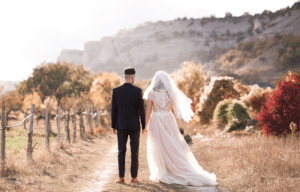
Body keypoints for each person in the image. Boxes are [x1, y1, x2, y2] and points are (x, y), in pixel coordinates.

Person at [142, 70, 217, 186]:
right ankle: (174, 169)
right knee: (172, 145)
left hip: (156, 120)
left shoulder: (151, 93)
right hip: (168, 120)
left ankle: (163, 171)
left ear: (155, 81)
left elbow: (148, 112)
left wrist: (145, 126)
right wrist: (179, 127)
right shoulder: (170, 93)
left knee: (159, 146)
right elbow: (174, 111)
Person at [111, 67, 145, 184]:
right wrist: (144, 126)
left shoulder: (116, 91)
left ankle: (121, 178)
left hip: (121, 125)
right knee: (134, 151)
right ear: (133, 77)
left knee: (121, 151)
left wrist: (113, 125)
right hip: (135, 125)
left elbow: (113, 110)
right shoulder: (138, 91)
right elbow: (141, 110)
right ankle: (134, 178)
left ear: (124, 77)